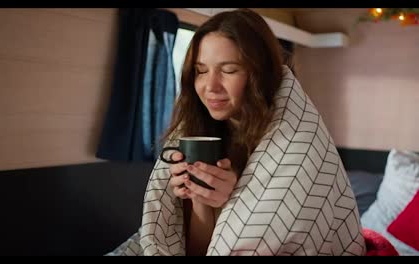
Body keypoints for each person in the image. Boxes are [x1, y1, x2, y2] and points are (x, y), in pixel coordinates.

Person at [107, 8, 366, 256]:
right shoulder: (203, 130)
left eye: (229, 70)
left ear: (260, 74)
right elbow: (198, 251)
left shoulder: (297, 146)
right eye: (201, 71)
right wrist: (201, 198)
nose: (210, 86)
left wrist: (239, 197)